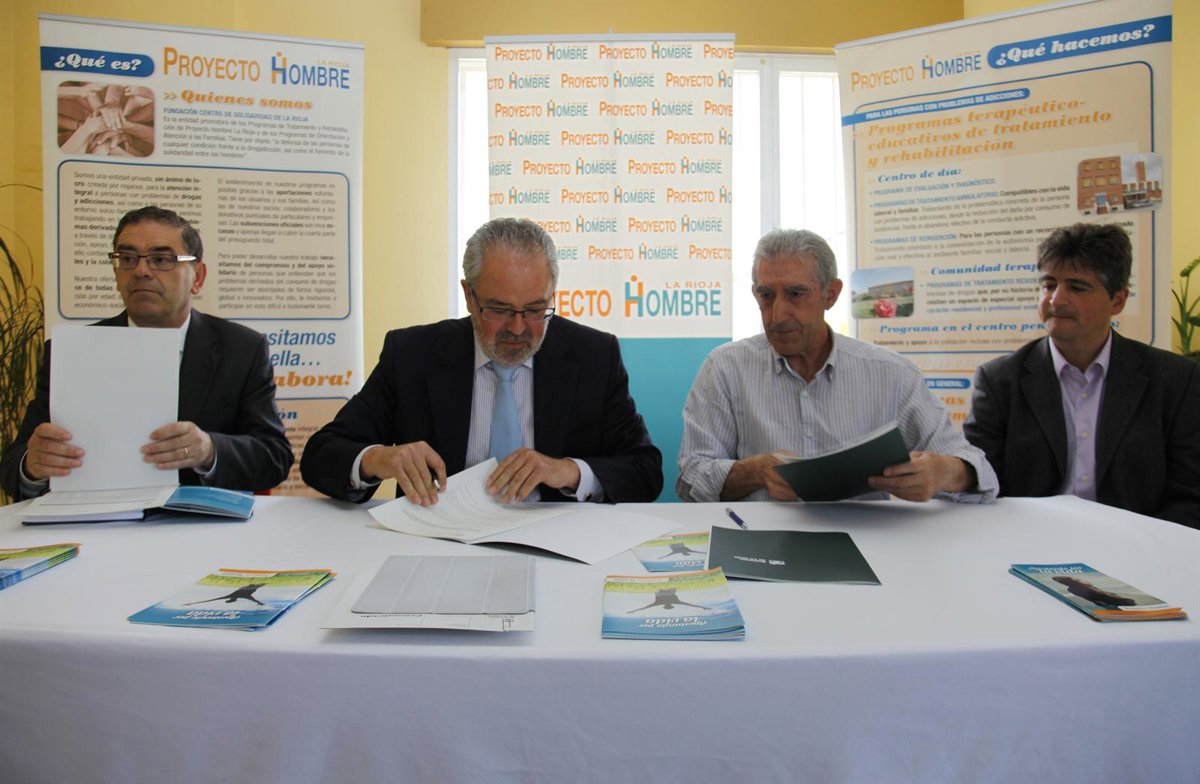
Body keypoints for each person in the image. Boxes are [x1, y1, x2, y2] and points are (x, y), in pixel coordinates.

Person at [301, 217, 662, 505]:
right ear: (469, 296)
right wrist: (378, 459)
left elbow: (645, 471)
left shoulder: (594, 355)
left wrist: (568, 471)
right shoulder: (412, 354)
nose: (518, 328)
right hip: (441, 541)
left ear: (552, 295)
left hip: (558, 549)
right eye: (499, 310)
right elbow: (321, 455)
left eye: (535, 309)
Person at [677, 228, 997, 503]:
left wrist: (943, 472)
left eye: (795, 293)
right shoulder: (725, 368)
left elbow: (980, 471)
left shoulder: (891, 374)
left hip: (867, 541)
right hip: (758, 540)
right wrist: (757, 471)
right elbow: (690, 481)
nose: (777, 314)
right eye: (766, 295)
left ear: (830, 294)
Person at [0, 206, 294, 500]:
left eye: (161, 260)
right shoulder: (72, 351)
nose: (141, 271)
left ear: (197, 277)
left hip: (197, 521)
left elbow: (274, 457)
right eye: (127, 259)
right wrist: (33, 466)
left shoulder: (241, 350)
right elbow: (14, 468)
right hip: (94, 516)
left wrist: (209, 450)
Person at [964, 223, 1200, 529]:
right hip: (1031, 543)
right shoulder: (999, 381)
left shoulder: (1175, 381)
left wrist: (1141, 547)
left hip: (1139, 545)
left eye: (1077, 287)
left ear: (1118, 300)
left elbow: (1190, 496)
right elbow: (980, 482)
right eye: (1049, 285)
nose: (1056, 300)